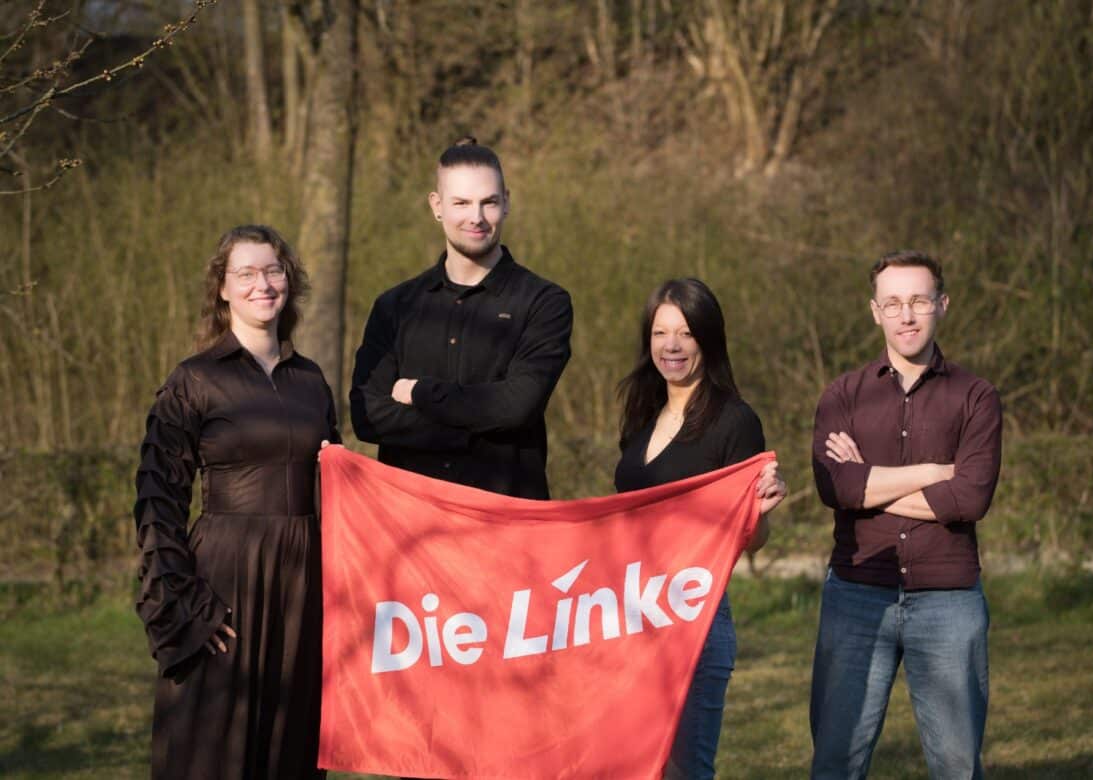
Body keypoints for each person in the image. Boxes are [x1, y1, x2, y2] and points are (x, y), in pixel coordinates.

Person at [133, 225, 339, 779]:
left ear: (288, 281)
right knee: (213, 743)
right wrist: (182, 599)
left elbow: (342, 487)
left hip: (302, 583)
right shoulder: (193, 380)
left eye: (273, 270)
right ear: (222, 289)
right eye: (245, 273)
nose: (262, 284)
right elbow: (158, 498)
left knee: (290, 741)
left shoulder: (312, 381)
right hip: (226, 576)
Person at [809, 250, 1003, 779]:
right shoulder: (842, 396)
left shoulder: (976, 396)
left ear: (942, 304)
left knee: (958, 766)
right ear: (875, 311)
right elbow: (835, 486)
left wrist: (868, 485)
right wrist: (936, 472)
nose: (907, 315)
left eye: (918, 300)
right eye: (893, 303)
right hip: (856, 595)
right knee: (835, 762)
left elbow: (970, 499)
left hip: (949, 599)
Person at [613, 278, 786, 780]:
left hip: (695, 619)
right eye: (661, 332)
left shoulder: (734, 421)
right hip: (628, 614)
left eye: (685, 333)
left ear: (707, 339)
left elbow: (752, 539)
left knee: (684, 772)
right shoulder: (642, 414)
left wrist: (757, 512)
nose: (671, 345)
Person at [350, 136, 572, 499]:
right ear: (436, 206)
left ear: (507, 203)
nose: (477, 217)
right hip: (411, 526)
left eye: (489, 202)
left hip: (506, 523)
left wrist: (421, 393)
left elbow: (518, 407)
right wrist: (476, 428)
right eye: (461, 203)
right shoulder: (395, 306)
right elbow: (367, 414)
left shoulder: (545, 303)